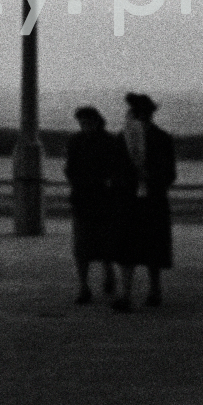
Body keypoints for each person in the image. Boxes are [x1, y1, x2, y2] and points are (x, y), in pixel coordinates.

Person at [111, 93, 177, 312]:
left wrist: (150, 178)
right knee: (129, 247)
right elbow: (115, 170)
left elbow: (170, 174)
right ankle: (129, 293)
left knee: (151, 247)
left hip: (150, 200)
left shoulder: (160, 138)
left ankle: (151, 290)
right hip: (131, 200)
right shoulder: (124, 138)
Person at [65, 106, 119, 304]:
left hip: (103, 199)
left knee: (105, 241)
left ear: (97, 121)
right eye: (82, 122)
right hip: (84, 198)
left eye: (88, 122)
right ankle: (84, 285)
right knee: (81, 245)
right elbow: (69, 168)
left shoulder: (109, 141)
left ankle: (107, 272)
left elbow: (115, 169)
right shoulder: (76, 141)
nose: (85, 125)